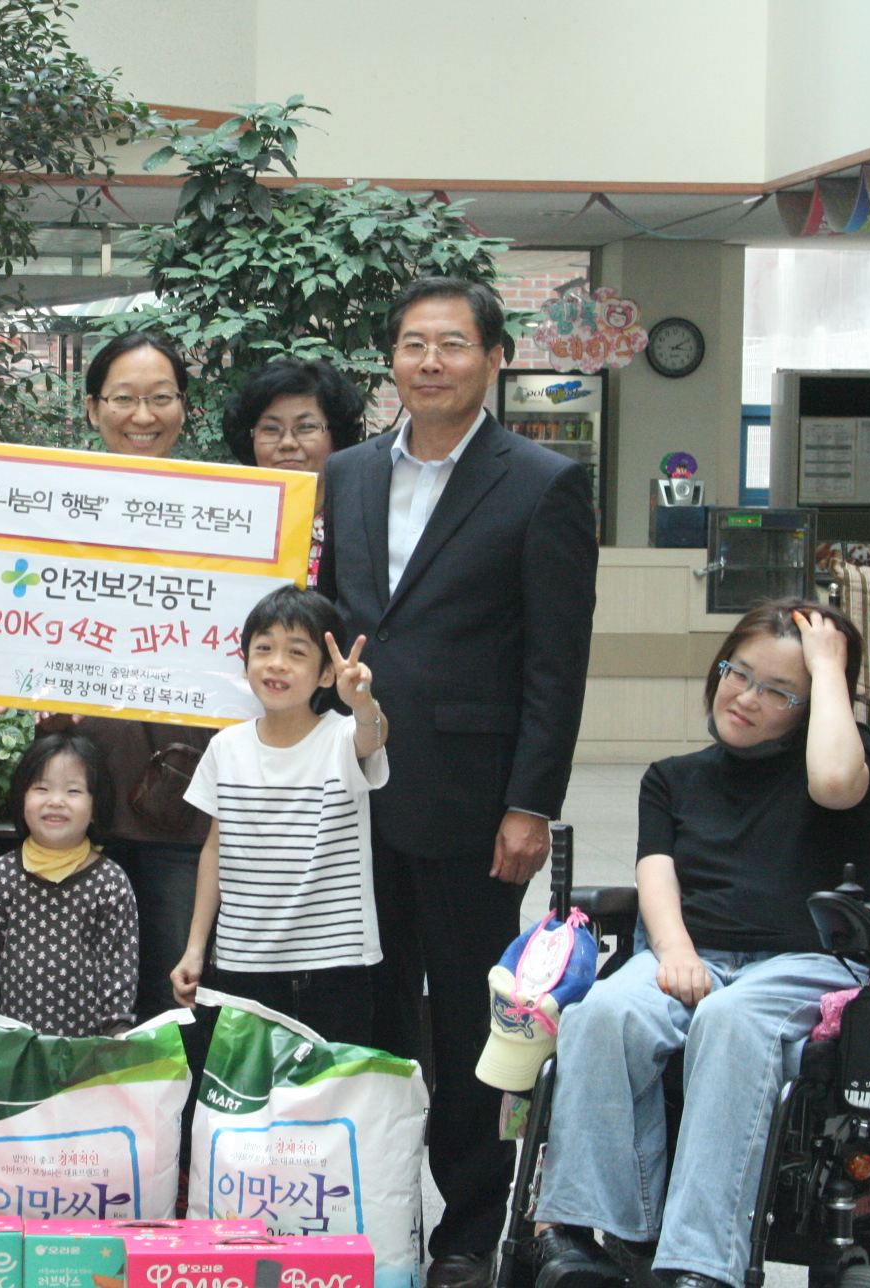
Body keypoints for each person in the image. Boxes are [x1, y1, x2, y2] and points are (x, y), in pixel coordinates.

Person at [316, 276, 597, 1287]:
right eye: (410, 344)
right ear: (388, 359)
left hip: (475, 801)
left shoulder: (541, 482)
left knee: (479, 1022)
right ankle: (378, 1211)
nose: (428, 361)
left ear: (493, 357)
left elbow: (555, 663)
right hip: (348, 794)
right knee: (370, 1008)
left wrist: (531, 803)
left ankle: (470, 1230)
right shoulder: (342, 475)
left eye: (450, 343)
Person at [528, 600, 870, 1288]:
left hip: (805, 965)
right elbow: (655, 874)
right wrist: (675, 952)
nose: (746, 698)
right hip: (692, 954)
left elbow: (837, 783)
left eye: (779, 691)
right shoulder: (672, 778)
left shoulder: (842, 762)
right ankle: (586, 1238)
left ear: (814, 704)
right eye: (737, 673)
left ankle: (700, 1262)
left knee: (728, 1019)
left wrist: (830, 665)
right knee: (602, 1014)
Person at [40, 330, 216, 1024]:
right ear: (92, 408)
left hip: (183, 791)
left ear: (183, 407)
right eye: (124, 399)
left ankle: (171, 1132)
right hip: (81, 786)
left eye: (161, 398)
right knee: (79, 995)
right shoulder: (54, 506)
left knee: (177, 995)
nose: (143, 416)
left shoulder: (221, 509)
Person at [169, 587, 389, 1044]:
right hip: (241, 963)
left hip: (334, 964)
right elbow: (215, 849)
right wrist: (195, 948)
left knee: (327, 1107)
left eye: (296, 652)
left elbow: (372, 736)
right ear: (245, 660)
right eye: (263, 648)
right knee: (243, 1104)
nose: (276, 663)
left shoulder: (342, 737)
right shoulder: (225, 747)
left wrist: (363, 702)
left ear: (328, 674)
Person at [0, 732, 138, 1036]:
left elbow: (118, 971)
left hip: (86, 1056)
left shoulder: (110, 883)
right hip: (11, 1051)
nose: (55, 801)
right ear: (21, 799)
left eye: (73, 791)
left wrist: (116, 1036)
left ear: (97, 806)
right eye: (41, 788)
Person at [220, 359, 365, 582]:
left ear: (336, 435)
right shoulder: (225, 526)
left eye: (306, 427)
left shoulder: (362, 529)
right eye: (270, 429)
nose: (287, 443)